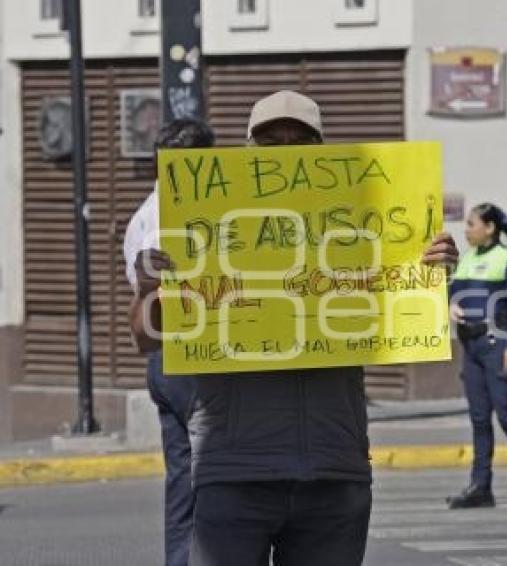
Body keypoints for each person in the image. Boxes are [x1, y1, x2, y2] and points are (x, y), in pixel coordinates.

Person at [131, 90, 460, 566]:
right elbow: (145, 337)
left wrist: (432, 269)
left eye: (299, 138)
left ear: (320, 150)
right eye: (271, 139)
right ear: (249, 150)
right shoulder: (207, 220)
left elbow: (407, 318)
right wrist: (147, 289)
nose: (285, 148)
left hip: (334, 475)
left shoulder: (358, 221)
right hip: (233, 474)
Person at [124, 118, 216, 566]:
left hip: (166, 360)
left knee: (184, 477)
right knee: (207, 477)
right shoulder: (173, 215)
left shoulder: (144, 215)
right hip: (186, 356)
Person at [446, 203, 507, 511]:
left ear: (489, 228)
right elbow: (453, 291)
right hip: (471, 347)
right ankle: (480, 487)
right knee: (478, 418)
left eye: (472, 223)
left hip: (497, 345)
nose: (467, 228)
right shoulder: (467, 259)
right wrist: (450, 305)